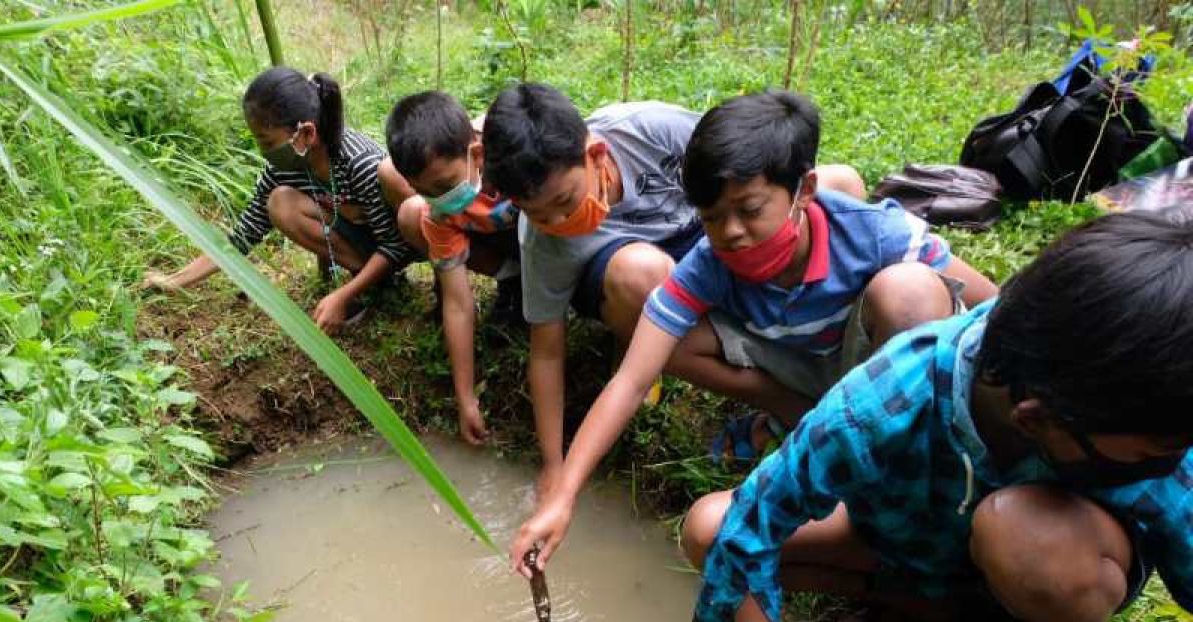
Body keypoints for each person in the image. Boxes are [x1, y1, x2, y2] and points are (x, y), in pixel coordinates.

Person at [680, 211, 1193, 622]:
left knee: (1016, 529)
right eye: (1156, 450)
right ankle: (933, 612)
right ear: (1037, 421)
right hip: (913, 543)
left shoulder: (1143, 415)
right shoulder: (883, 403)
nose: (1169, 458)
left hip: (1052, 551)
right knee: (709, 527)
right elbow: (754, 523)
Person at [510, 90, 996, 575]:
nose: (731, 232)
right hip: (806, 372)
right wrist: (564, 493)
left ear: (804, 190)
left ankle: (908, 460)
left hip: (885, 374)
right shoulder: (706, 264)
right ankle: (827, 447)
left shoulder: (875, 233)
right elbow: (630, 381)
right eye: (712, 218)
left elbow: (993, 307)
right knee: (660, 335)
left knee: (908, 291)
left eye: (749, 209)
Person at [482, 83, 868, 498]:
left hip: (707, 242)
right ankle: (776, 397)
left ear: (595, 155)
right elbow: (547, 351)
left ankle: (807, 326)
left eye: (565, 200)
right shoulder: (542, 244)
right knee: (643, 273)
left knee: (842, 182)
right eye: (537, 214)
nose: (557, 221)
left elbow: (739, 165)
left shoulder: (650, 130)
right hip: (636, 278)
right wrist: (553, 464)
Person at [142, 66, 417, 335]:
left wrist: (343, 296)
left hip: (398, 245)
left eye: (268, 142)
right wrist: (174, 281)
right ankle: (370, 281)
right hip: (364, 246)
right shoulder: (282, 169)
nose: (264, 153)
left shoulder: (359, 163)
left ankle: (376, 282)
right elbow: (241, 237)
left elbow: (394, 245)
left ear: (307, 133)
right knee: (280, 203)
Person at [384, 91, 522, 445]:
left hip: (546, 233)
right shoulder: (439, 211)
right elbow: (458, 303)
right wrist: (465, 398)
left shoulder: (517, 156)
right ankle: (514, 283)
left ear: (476, 153)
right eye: (423, 189)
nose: (439, 198)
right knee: (413, 214)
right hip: (503, 246)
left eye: (445, 185)